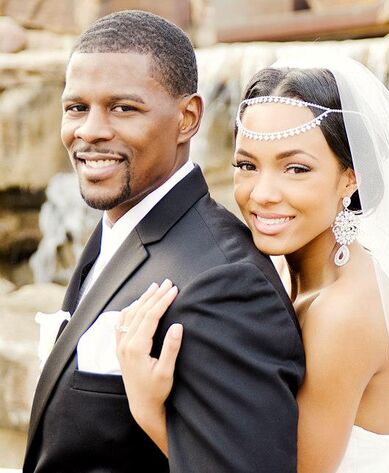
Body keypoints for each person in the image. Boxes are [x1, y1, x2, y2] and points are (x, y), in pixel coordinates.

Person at [118, 55, 389, 472]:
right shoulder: (283, 273)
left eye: (296, 169)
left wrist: (149, 409)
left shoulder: (346, 313)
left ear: (351, 177)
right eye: (247, 165)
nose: (262, 193)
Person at [23, 11, 304, 473]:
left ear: (187, 119)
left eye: (122, 108)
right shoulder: (117, 228)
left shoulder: (227, 283)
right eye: (76, 108)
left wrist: (148, 410)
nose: (89, 130)